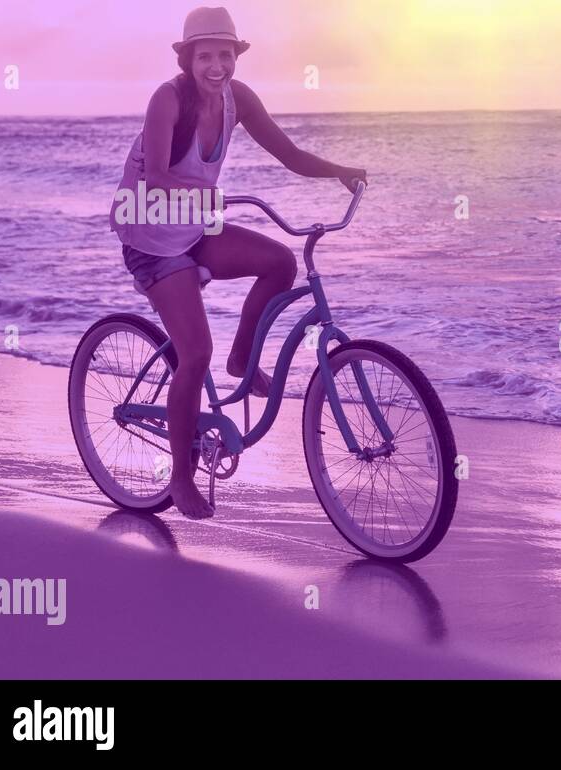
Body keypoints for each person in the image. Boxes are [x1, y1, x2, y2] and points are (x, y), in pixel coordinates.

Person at [108, 6, 367, 519]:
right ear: (188, 59)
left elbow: (289, 155)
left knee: (279, 262)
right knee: (194, 352)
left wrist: (339, 170)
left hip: (194, 225)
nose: (217, 65)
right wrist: (210, 196)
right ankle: (180, 478)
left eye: (225, 54)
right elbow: (157, 177)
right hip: (151, 235)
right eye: (206, 55)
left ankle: (242, 363)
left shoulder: (238, 99)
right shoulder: (167, 99)